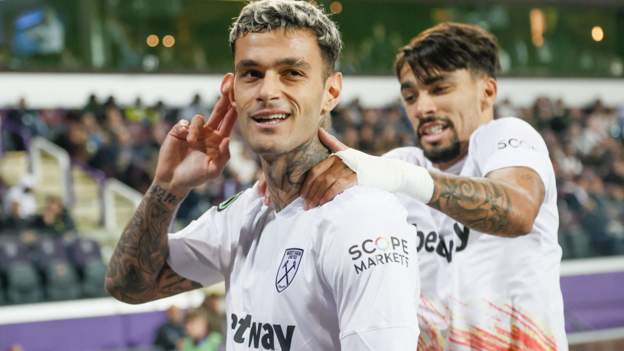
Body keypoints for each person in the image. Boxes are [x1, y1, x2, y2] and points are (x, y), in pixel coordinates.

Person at [105, 1, 419, 350]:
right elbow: (129, 285)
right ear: (232, 90)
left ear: (330, 92)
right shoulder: (244, 213)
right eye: (252, 73)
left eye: (292, 73)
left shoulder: (364, 219)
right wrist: (167, 188)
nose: (268, 92)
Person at [301, 23, 567, 350]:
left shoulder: (505, 137)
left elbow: (519, 210)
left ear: (487, 91)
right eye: (410, 95)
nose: (422, 108)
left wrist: (402, 178)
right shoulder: (401, 165)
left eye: (439, 89)